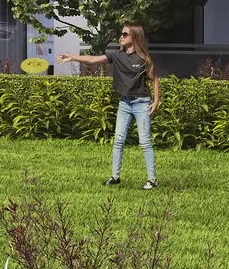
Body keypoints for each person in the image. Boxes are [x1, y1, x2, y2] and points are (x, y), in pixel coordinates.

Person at [60, 23, 161, 190]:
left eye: (124, 34)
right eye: (121, 34)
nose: (121, 37)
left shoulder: (143, 59)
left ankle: (152, 179)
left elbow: (154, 79)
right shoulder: (117, 56)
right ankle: (115, 176)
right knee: (119, 140)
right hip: (124, 103)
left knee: (145, 142)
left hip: (141, 104)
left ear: (134, 37)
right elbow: (93, 59)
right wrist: (72, 57)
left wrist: (156, 101)